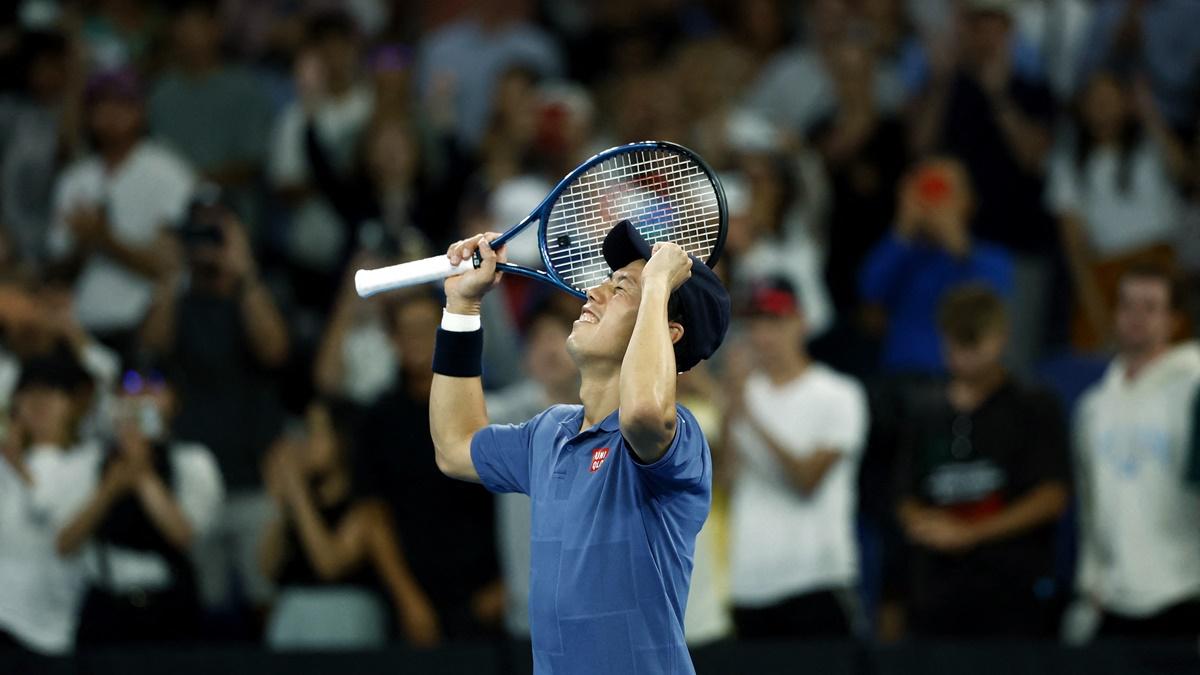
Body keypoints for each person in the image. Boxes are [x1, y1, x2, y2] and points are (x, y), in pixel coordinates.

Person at [430, 219, 730, 673]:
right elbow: (455, 446)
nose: (594, 293)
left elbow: (644, 412)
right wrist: (462, 305)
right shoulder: (549, 433)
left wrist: (656, 286)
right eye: (607, 282)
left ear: (667, 330)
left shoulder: (681, 438)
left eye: (621, 289)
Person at [893, 284, 1070, 637]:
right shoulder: (924, 410)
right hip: (936, 596)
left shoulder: (1032, 406)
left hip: (1011, 597)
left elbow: (1052, 496)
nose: (962, 356)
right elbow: (904, 495)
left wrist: (970, 533)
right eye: (954, 344)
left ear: (1000, 338)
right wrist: (924, 523)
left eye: (973, 344)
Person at [141, 198, 288, 616]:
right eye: (198, 233)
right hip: (194, 483)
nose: (207, 244)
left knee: (264, 604)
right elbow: (151, 349)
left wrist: (243, 271)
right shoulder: (177, 302)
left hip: (254, 477)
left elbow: (274, 349)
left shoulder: (257, 294)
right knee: (206, 610)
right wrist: (170, 277)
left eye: (217, 232)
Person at [354, 291, 504, 640]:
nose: (417, 340)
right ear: (392, 339)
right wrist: (407, 598)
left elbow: (520, 501)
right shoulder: (377, 418)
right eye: (406, 330)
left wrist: (509, 582)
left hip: (487, 594)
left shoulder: (490, 404)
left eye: (427, 328)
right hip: (411, 598)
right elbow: (373, 514)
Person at [724, 278, 868, 639]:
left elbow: (805, 482)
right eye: (755, 324)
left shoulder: (839, 394)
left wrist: (748, 414)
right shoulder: (744, 394)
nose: (763, 335)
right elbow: (724, 481)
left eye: (775, 321)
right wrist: (731, 404)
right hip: (749, 585)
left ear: (800, 322)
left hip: (816, 580)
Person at [57, 361, 223, 644]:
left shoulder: (193, 462)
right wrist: (110, 487)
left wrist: (143, 473)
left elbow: (184, 536)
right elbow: (65, 543)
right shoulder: (89, 461)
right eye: (132, 386)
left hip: (170, 606)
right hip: (106, 603)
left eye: (155, 387)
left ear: (174, 400)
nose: (142, 396)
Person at [1074, 265, 1200, 639]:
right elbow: (1090, 502)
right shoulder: (1093, 407)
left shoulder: (1192, 391)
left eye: (1150, 307)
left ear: (1174, 320)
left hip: (1184, 594)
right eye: (1127, 305)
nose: (1136, 318)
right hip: (1113, 598)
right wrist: (1090, 578)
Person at [260, 399, 440, 649]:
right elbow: (267, 568)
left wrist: (297, 493)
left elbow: (329, 563)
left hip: (342, 621)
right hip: (293, 616)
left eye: (315, 432)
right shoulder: (302, 506)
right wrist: (283, 504)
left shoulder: (364, 509)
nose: (305, 444)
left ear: (342, 439)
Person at [47, 68, 194, 354]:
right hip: (82, 325)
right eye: (102, 104)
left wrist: (105, 239)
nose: (112, 113)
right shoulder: (75, 178)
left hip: (146, 327)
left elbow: (171, 265)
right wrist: (83, 244)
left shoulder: (168, 172)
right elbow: (56, 270)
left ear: (140, 110)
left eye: (123, 103)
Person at [1048, 71, 1188, 350]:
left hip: (1161, 263)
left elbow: (1184, 173)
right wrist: (1097, 312)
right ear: (1082, 107)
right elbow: (1075, 248)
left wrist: (1149, 113)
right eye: (1095, 99)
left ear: (1125, 102)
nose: (1103, 106)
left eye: (1111, 98)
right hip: (1109, 273)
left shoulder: (1149, 148)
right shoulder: (1068, 164)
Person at [911, 0, 1055, 254]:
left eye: (994, 28)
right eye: (977, 27)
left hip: (1019, 240)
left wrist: (998, 96)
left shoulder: (1033, 89)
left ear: (1009, 32)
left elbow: (1032, 159)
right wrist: (941, 83)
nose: (986, 38)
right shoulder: (944, 88)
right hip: (954, 242)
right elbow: (919, 147)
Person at [859, 158, 1014, 374]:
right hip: (900, 374)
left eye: (944, 191)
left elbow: (989, 304)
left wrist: (956, 243)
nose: (934, 201)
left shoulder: (991, 258)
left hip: (960, 377)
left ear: (968, 200)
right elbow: (870, 293)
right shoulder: (904, 252)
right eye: (927, 190)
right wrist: (902, 230)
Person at [484, 300, 580, 640]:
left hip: (595, 613)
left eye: (560, 337)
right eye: (538, 340)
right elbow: (456, 423)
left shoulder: (611, 414)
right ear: (525, 357)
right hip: (528, 617)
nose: (550, 348)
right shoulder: (506, 414)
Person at [0, 355, 102, 655]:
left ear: (73, 404)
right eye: (29, 393)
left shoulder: (89, 463)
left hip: (48, 629)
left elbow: (60, 532)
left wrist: (20, 469)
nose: (38, 403)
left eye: (52, 393)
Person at [148, 0, 272, 224]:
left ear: (216, 29)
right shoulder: (161, 91)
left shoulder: (243, 88)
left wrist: (196, 180)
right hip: (168, 213)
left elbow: (253, 162)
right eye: (180, 26)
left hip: (230, 212)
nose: (185, 33)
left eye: (194, 25)